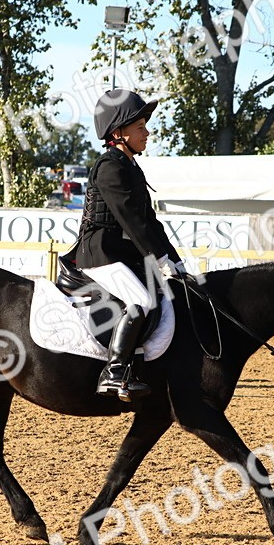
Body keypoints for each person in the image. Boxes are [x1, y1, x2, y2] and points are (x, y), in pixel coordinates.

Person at [62, 89, 185, 401]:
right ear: (118, 133)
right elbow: (131, 219)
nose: (147, 133)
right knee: (140, 301)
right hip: (100, 254)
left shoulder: (131, 166)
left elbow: (151, 221)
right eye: (140, 127)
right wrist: (157, 259)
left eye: (145, 126)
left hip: (121, 255)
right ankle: (114, 373)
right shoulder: (110, 167)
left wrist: (175, 259)